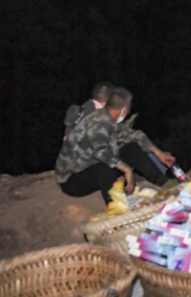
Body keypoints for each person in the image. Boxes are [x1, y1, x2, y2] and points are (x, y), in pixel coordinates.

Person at [55, 87, 177, 217]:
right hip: (72, 180)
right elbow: (100, 152)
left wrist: (159, 153)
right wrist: (127, 170)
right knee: (105, 166)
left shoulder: (107, 117)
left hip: (90, 166)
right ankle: (115, 207)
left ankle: (166, 184)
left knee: (132, 148)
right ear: (124, 109)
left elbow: (134, 135)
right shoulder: (97, 123)